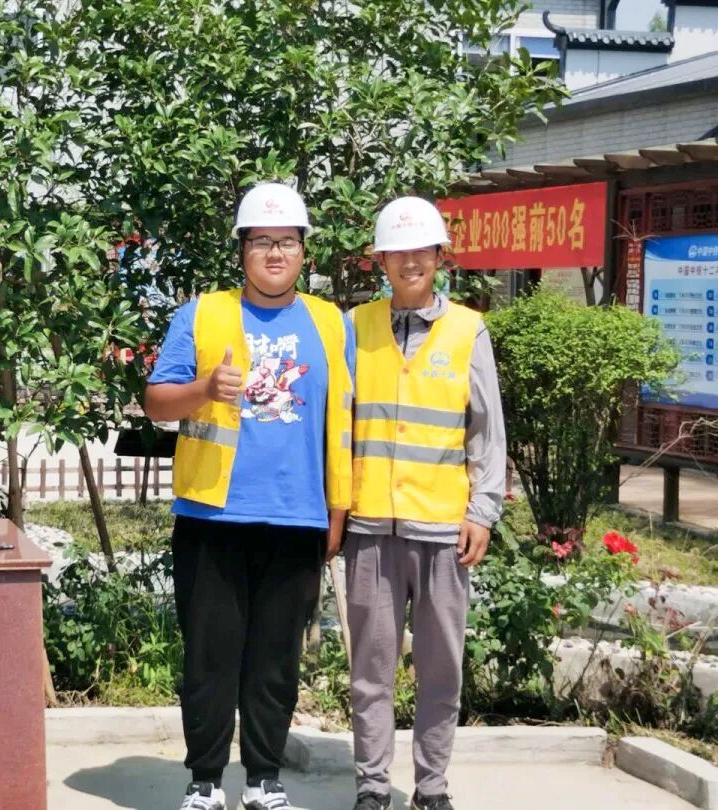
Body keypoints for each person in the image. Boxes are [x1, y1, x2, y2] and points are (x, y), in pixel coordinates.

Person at [144, 182, 355, 810]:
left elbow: (342, 422)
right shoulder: (202, 314)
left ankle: (264, 779)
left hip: (297, 516)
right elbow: (156, 403)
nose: (275, 253)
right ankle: (205, 782)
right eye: (262, 241)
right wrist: (205, 388)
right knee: (210, 657)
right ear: (242, 249)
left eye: (287, 241)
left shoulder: (330, 322)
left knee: (275, 661)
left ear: (303, 251)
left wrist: (337, 511)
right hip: (213, 514)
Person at [345, 197, 507, 810]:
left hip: (443, 528)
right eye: (397, 252)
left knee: (441, 668)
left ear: (441, 257)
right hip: (369, 525)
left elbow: (488, 431)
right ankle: (372, 785)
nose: (410, 261)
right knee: (371, 668)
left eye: (422, 251)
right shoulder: (355, 326)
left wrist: (482, 511)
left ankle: (432, 787)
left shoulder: (468, 330)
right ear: (379, 260)